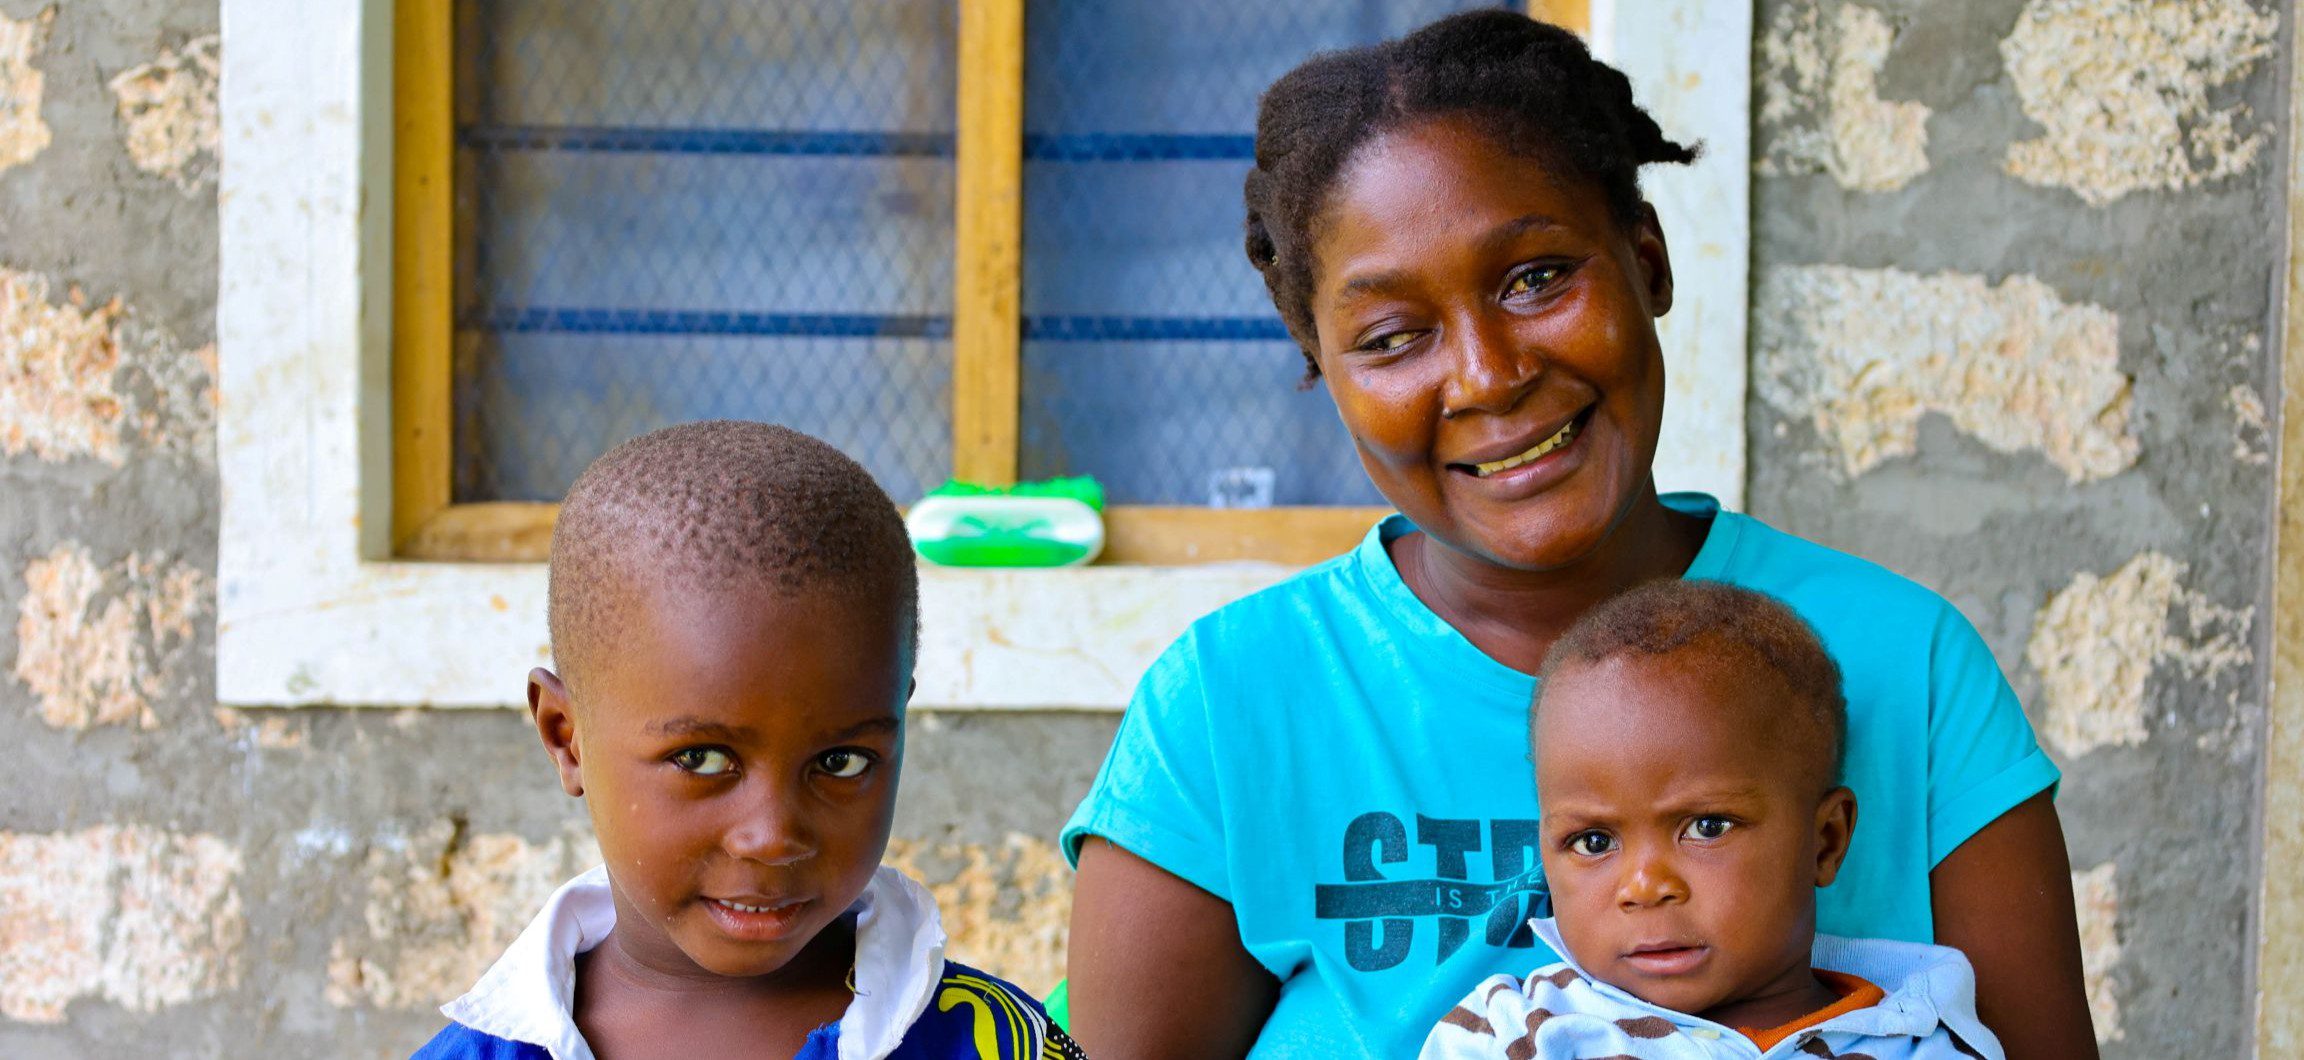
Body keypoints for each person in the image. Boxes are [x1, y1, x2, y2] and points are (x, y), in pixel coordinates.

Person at [1060, 11, 2094, 1059]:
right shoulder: (1236, 703)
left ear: (1647, 259)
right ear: (1323, 367)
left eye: (1537, 278)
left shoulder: (1903, 666)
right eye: (1392, 336)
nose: (1488, 373)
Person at [413, 421, 1081, 1060]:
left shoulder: (996, 1044)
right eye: (702, 759)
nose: (772, 835)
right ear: (566, 737)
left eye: (839, 762)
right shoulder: (479, 1054)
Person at [1420, 580, 2002, 1059]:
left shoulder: (1918, 1040)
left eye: (1707, 827)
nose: (1645, 886)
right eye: (1593, 840)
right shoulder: (1519, 1030)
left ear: (1825, 841)